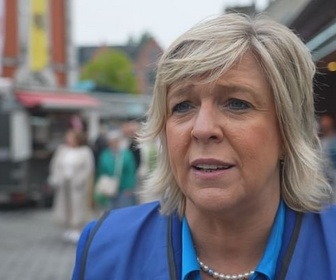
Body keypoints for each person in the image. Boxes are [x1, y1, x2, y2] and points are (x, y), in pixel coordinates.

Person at [72, 13, 336, 280]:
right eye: (183, 106)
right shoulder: (105, 248)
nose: (202, 129)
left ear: (287, 130)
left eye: (236, 103)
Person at [49, 129, 94, 243]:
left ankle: (78, 228)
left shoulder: (85, 151)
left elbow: (89, 169)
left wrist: (81, 179)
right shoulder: (62, 150)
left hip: (78, 184)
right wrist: (56, 177)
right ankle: (68, 227)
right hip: (64, 182)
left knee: (78, 206)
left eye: (71, 137)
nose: (69, 140)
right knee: (65, 205)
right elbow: (55, 164)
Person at [94, 129, 137, 210]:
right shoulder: (105, 155)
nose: (113, 143)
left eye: (115, 141)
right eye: (111, 141)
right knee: (111, 212)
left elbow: (131, 171)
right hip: (109, 189)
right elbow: (101, 172)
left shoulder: (126, 154)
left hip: (124, 189)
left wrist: (130, 187)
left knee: (124, 211)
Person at [319, 114, 336, 203]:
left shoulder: (334, 141)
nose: (324, 125)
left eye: (326, 123)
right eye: (323, 123)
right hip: (323, 179)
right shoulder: (320, 142)